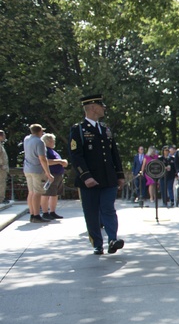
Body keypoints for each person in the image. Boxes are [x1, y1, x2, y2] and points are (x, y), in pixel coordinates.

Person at [69, 93, 125, 255]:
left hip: (108, 178)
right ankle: (97, 243)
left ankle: (113, 240)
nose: (104, 108)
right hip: (89, 180)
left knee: (108, 209)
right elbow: (76, 156)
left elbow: (114, 153)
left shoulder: (106, 129)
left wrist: (120, 175)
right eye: (101, 105)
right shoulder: (78, 130)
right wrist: (86, 176)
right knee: (92, 212)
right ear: (93, 108)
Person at [23, 124, 52, 224]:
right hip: (37, 170)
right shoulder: (39, 142)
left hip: (27, 168)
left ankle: (32, 214)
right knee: (37, 192)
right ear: (40, 131)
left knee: (31, 192)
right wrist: (48, 173)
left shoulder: (26, 139)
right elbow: (42, 159)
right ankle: (36, 215)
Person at [40, 133, 68, 220]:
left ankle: (52, 212)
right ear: (48, 141)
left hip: (58, 175)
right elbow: (46, 161)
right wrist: (59, 161)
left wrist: (63, 162)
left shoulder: (53, 150)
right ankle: (45, 212)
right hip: (50, 175)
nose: (54, 142)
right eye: (53, 140)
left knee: (54, 194)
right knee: (46, 194)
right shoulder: (45, 150)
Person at [0, 129, 9, 203]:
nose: (4, 137)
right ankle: (1, 199)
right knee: (1, 183)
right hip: (1, 168)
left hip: (2, 168)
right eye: (3, 135)